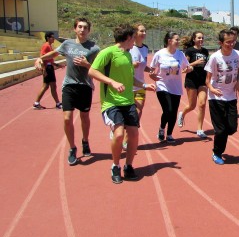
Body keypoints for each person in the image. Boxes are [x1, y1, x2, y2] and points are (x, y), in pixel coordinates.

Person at [88, 24, 155, 184]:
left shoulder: (127, 55)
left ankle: (129, 166)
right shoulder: (108, 52)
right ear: (127, 38)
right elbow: (92, 71)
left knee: (133, 134)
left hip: (128, 101)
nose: (135, 41)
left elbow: (129, 78)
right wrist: (111, 82)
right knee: (118, 135)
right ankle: (115, 165)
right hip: (111, 102)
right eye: (133, 37)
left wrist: (144, 85)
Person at [35, 18, 100, 165]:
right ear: (75, 29)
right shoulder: (67, 44)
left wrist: (86, 64)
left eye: (85, 27)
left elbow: (98, 69)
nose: (82, 30)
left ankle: (85, 140)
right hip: (69, 86)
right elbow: (54, 54)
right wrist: (40, 59)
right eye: (80, 27)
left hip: (85, 86)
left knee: (84, 117)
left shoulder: (94, 48)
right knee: (66, 118)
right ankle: (72, 148)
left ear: (89, 31)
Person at [205, 29, 239, 165]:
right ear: (220, 43)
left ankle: (220, 142)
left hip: (231, 95)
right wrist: (212, 89)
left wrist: (238, 82)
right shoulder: (215, 57)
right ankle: (217, 153)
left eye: (233, 41)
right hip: (216, 97)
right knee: (220, 129)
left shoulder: (237, 55)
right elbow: (207, 80)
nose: (231, 44)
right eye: (228, 42)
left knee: (231, 128)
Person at [149, 31, 193, 143]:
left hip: (176, 87)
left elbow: (187, 67)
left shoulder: (180, 54)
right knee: (167, 110)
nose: (179, 42)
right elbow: (152, 69)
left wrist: (189, 69)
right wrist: (152, 75)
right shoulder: (159, 54)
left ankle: (169, 134)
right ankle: (162, 128)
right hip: (162, 85)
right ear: (169, 41)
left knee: (173, 112)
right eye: (176, 40)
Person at [123, 23, 150, 149]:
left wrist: (151, 70)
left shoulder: (145, 48)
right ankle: (120, 131)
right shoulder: (128, 47)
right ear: (135, 33)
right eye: (141, 31)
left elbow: (143, 66)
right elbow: (122, 65)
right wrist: (131, 65)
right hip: (127, 86)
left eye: (145, 31)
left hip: (140, 86)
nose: (144, 33)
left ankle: (127, 139)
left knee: (138, 112)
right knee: (126, 114)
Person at [177, 31, 209, 138]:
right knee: (192, 105)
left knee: (202, 104)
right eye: (199, 38)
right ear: (194, 39)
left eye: (202, 38)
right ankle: (182, 113)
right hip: (191, 80)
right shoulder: (189, 51)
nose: (201, 40)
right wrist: (196, 63)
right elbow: (184, 67)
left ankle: (200, 129)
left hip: (203, 81)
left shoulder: (205, 51)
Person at [33, 31, 62, 110]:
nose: (54, 38)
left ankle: (38, 103)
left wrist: (56, 65)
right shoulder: (46, 46)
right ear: (48, 38)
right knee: (49, 86)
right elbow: (41, 58)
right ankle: (57, 103)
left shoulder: (49, 46)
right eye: (52, 37)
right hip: (47, 69)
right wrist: (44, 70)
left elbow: (49, 59)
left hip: (49, 68)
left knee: (49, 86)